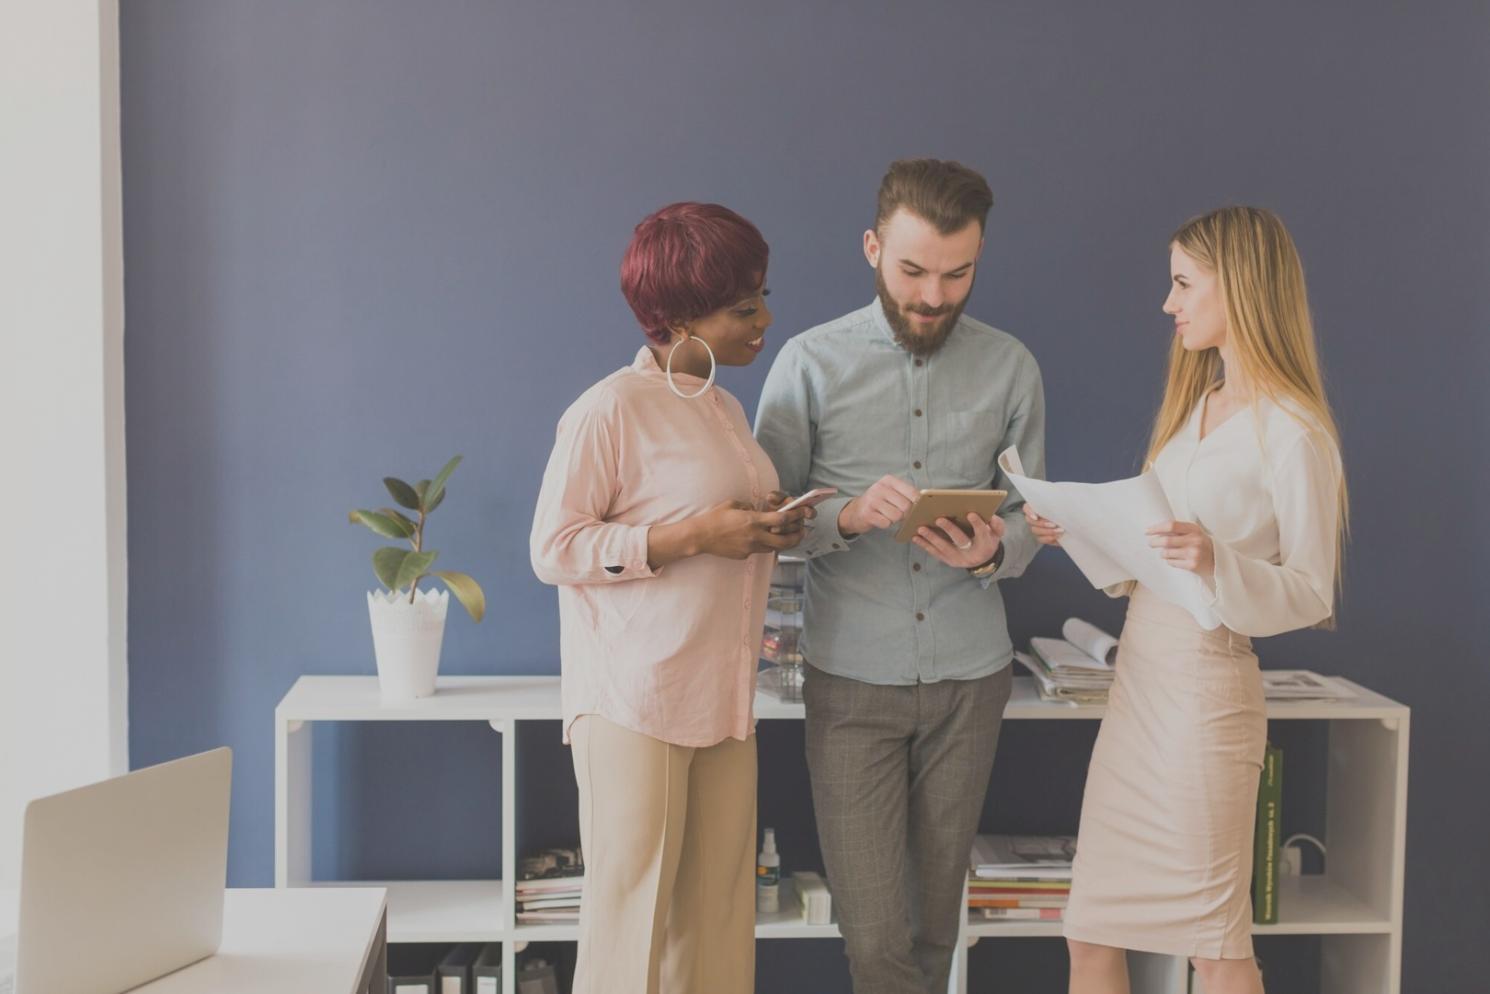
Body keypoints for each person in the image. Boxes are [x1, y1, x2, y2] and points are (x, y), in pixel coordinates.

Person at [1026, 206, 1349, 994]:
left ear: (1237, 287)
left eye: (1182, 283)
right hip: (1140, 692)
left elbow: (1311, 592)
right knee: (1091, 931)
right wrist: (1078, 533)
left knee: (1215, 945)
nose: (1168, 304)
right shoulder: (1194, 411)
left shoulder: (1295, 432)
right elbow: (1151, 562)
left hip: (1206, 699)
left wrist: (1219, 559)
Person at [754, 158, 1046, 994]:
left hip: (971, 679)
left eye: (958, 275)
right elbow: (765, 523)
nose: (933, 296)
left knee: (932, 932)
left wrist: (992, 551)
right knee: (876, 939)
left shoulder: (1013, 368)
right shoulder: (808, 365)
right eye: (914, 271)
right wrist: (843, 514)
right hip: (852, 685)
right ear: (873, 247)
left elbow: (1034, 518)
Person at [529, 202, 811, 994]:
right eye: (744, 306)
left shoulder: (722, 408)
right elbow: (553, 548)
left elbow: (715, 523)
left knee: (719, 923)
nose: (766, 318)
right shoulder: (608, 410)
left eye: (761, 295)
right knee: (631, 926)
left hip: (721, 698)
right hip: (635, 701)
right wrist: (692, 537)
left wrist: (764, 528)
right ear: (679, 320)